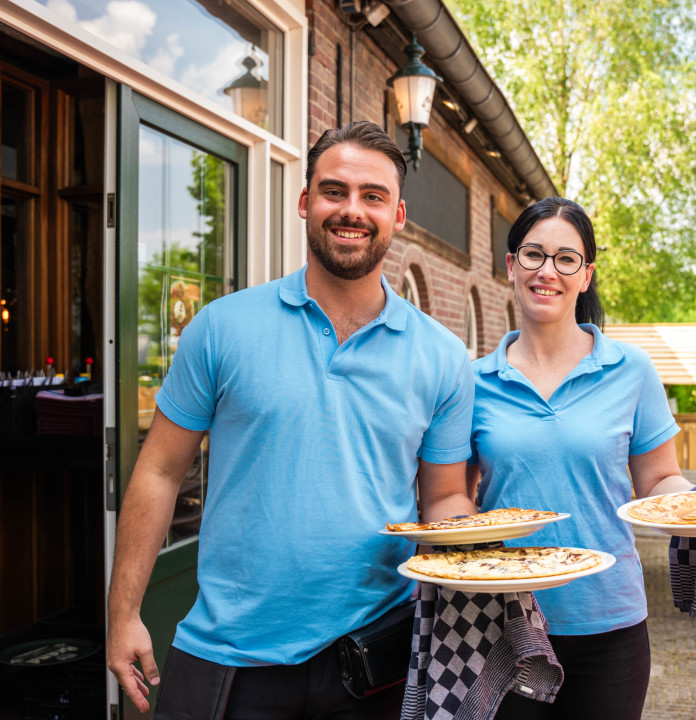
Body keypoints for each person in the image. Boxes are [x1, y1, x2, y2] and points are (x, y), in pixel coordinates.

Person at [107, 121, 478, 719]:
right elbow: (158, 472)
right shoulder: (222, 328)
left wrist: (486, 551)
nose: (351, 210)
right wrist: (123, 614)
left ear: (399, 214)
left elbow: (443, 499)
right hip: (228, 655)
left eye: (372, 196)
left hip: (372, 658)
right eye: (334, 191)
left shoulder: (442, 357)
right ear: (305, 203)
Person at [467, 197, 692, 720]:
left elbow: (659, 480)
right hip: (505, 625)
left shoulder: (631, 370)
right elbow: (453, 496)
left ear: (586, 275)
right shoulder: (472, 382)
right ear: (510, 266)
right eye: (533, 255)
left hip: (610, 623)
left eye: (566, 259)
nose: (548, 271)